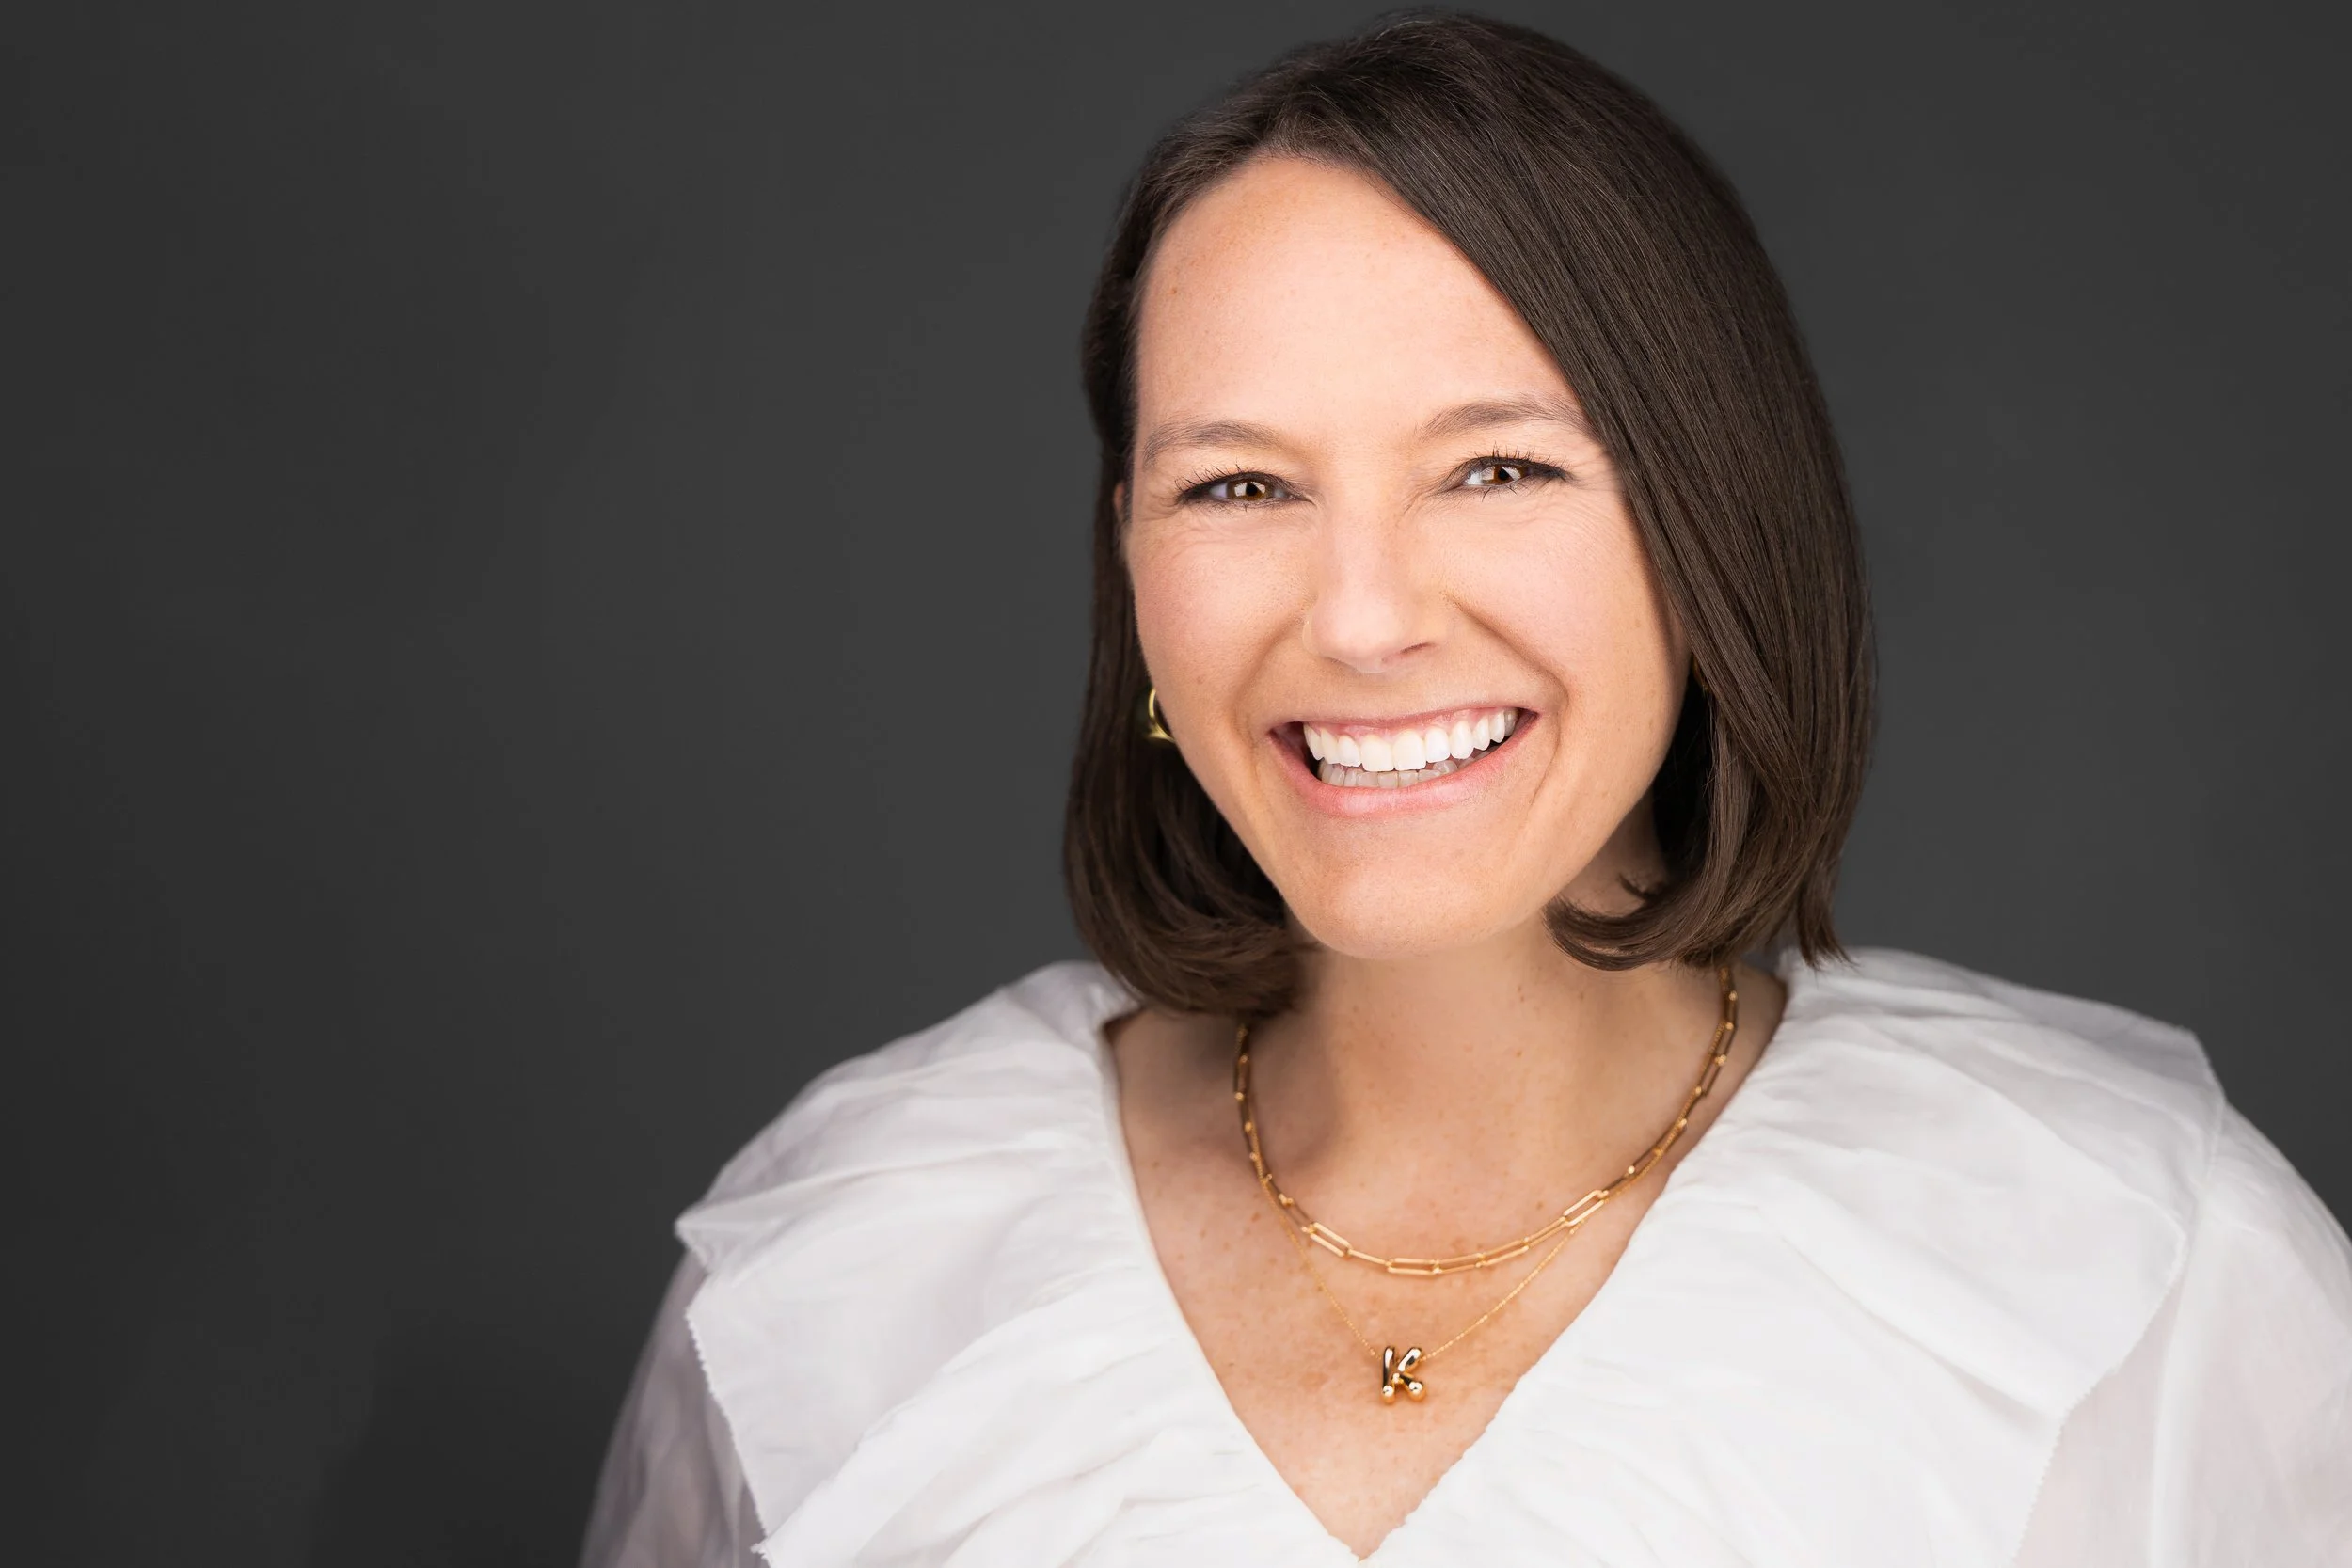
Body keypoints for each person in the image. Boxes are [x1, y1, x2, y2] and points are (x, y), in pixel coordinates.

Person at [579, 14, 2352, 1565]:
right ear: (1126, 563)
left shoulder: (2134, 1275)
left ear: (1710, 523)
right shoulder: (845, 1269)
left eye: (1497, 466)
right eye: (1238, 488)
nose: (1359, 621)